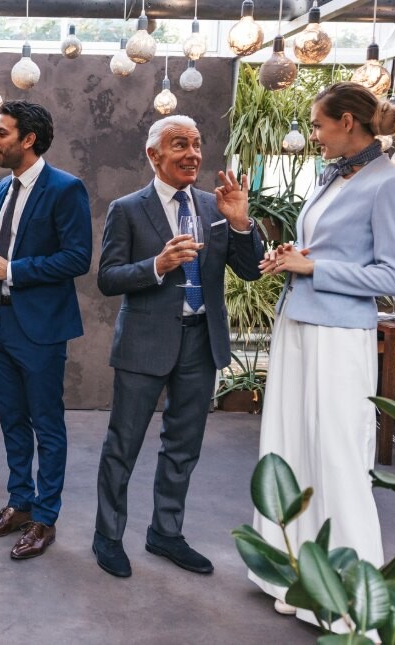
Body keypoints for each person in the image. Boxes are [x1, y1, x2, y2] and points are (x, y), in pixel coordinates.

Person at [252, 82, 395, 621]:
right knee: (291, 447)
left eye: (319, 125)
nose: (313, 135)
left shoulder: (390, 184)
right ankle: (293, 572)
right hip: (298, 325)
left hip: (341, 338)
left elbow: (393, 275)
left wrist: (314, 266)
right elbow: (330, 250)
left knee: (337, 456)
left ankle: (351, 599)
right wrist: (295, 256)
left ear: (348, 122)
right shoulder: (335, 174)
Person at [91, 115, 264, 579]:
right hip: (144, 343)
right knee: (122, 445)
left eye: (197, 143)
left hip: (200, 343)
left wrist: (242, 221)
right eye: (179, 145)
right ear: (154, 155)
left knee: (183, 447)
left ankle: (165, 533)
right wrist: (158, 264)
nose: (192, 153)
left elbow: (250, 271)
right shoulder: (128, 209)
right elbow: (108, 279)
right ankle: (108, 536)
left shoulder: (217, 206)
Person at [0, 100, 92, 560]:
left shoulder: (66, 189)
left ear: (28, 140)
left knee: (47, 424)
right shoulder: (3, 188)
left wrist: (12, 269)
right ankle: (19, 503)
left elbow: (77, 258)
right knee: (11, 420)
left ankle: (45, 518)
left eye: (2, 133)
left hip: (40, 328)